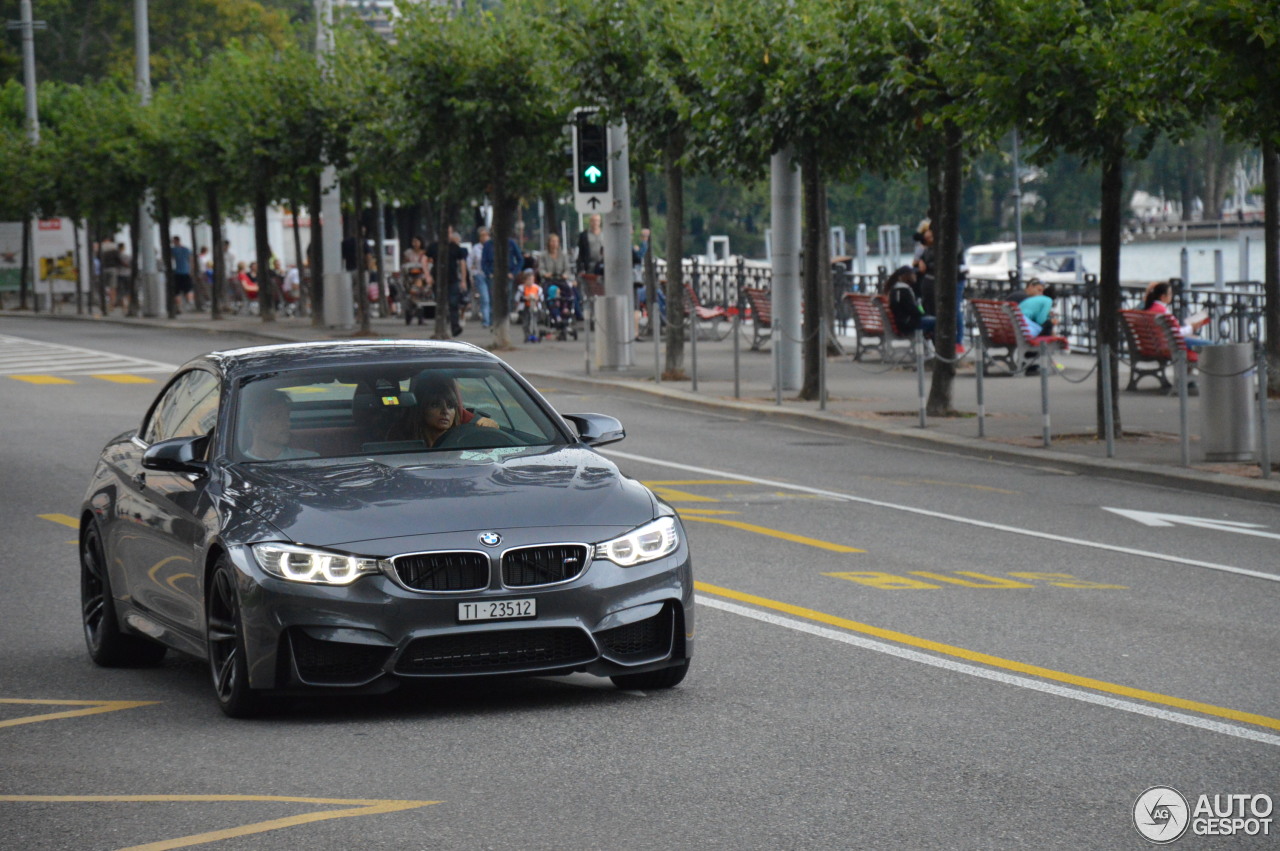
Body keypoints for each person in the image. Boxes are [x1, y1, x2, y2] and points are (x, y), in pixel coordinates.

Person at [385, 374, 498, 447]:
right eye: (435, 405)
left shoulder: (466, 438)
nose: (445, 411)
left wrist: (489, 428)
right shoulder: (400, 440)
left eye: (450, 406)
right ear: (422, 409)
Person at [241, 390, 318, 461]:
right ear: (254, 425)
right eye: (276, 416)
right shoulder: (238, 466)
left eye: (287, 416)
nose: (288, 423)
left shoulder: (308, 459)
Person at [428, 226, 470, 337]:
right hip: (438, 281)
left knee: (453, 304)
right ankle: (441, 325)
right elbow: (424, 259)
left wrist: (463, 280)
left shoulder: (455, 247)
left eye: (450, 232)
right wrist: (428, 275)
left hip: (453, 280)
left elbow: (462, 263)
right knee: (440, 304)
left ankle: (454, 327)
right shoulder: (434, 247)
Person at [1144, 281, 1212, 348]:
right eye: (1170, 293)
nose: (1172, 296)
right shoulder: (1163, 311)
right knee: (1212, 345)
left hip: (1157, 343)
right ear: (1163, 297)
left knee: (1197, 339)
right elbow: (1176, 333)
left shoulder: (1150, 308)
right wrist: (1192, 327)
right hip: (1169, 344)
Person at [886, 265, 935, 336]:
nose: (915, 275)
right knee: (939, 322)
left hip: (904, 321)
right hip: (907, 323)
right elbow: (912, 309)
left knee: (932, 320)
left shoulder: (896, 289)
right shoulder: (903, 290)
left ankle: (930, 340)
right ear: (906, 276)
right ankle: (939, 343)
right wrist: (923, 314)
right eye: (913, 273)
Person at [540, 233, 575, 319]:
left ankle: (566, 308)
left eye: (556, 241)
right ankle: (553, 312)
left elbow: (567, 268)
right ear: (549, 243)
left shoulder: (563, 255)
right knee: (549, 292)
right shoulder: (543, 256)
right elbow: (541, 269)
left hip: (560, 279)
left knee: (569, 291)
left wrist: (565, 275)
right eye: (552, 241)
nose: (554, 244)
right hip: (549, 280)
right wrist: (545, 274)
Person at [467, 228, 492, 328]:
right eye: (482, 235)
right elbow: (469, 261)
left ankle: (493, 319)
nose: (484, 237)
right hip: (480, 275)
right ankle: (486, 321)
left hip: (491, 275)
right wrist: (473, 272)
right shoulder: (476, 248)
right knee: (485, 298)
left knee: (492, 297)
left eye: (486, 235)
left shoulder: (492, 247)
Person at [171, 236, 194, 311]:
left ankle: (179, 306)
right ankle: (189, 304)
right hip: (186, 272)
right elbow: (190, 260)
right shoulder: (186, 249)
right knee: (188, 289)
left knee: (177, 291)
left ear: (175, 241)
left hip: (178, 272)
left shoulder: (173, 250)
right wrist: (191, 270)